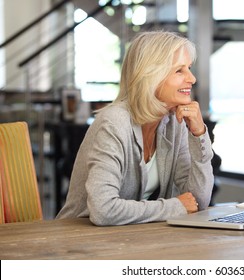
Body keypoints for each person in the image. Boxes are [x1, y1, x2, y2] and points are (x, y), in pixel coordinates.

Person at [56, 31, 214, 226]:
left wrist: (199, 134)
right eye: (179, 70)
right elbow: (103, 210)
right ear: (151, 76)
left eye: (189, 68)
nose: (192, 78)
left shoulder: (176, 121)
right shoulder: (114, 123)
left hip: (131, 238)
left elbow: (198, 199)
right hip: (79, 241)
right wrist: (175, 207)